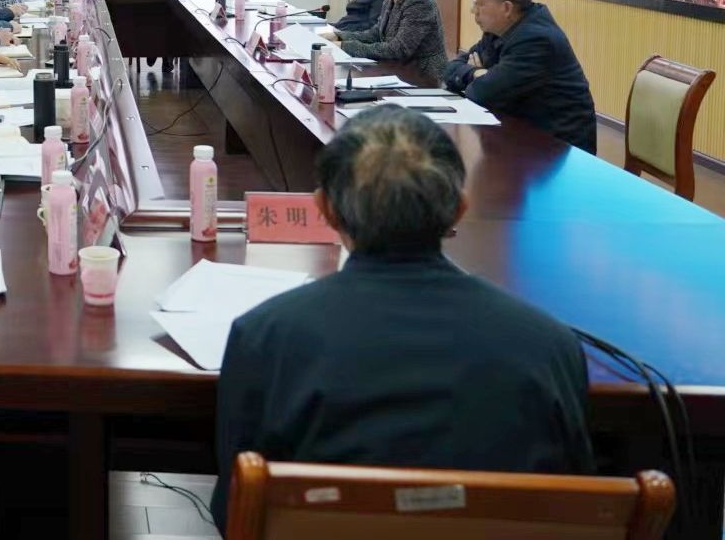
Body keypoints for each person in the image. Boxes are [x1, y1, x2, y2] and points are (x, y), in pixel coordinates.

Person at [210, 105, 593, 532]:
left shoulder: (265, 336)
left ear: (326, 210)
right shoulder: (551, 346)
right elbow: (573, 505)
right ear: (458, 210)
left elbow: (233, 511)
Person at [443, 0, 598, 154]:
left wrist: (481, 77)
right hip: (522, 136)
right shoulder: (498, 30)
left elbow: (480, 93)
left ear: (506, 8)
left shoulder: (537, 40)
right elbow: (450, 70)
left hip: (560, 151)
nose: (473, 10)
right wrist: (477, 73)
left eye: (479, 3)